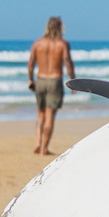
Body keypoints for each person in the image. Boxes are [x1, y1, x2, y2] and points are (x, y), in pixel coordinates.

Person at [28, 16, 74, 156]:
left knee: (40, 113)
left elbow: (30, 64)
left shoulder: (38, 43)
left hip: (41, 80)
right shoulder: (62, 44)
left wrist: (31, 80)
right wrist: (73, 80)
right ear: (60, 27)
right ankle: (44, 148)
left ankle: (37, 141)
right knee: (50, 116)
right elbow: (67, 62)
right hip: (54, 81)